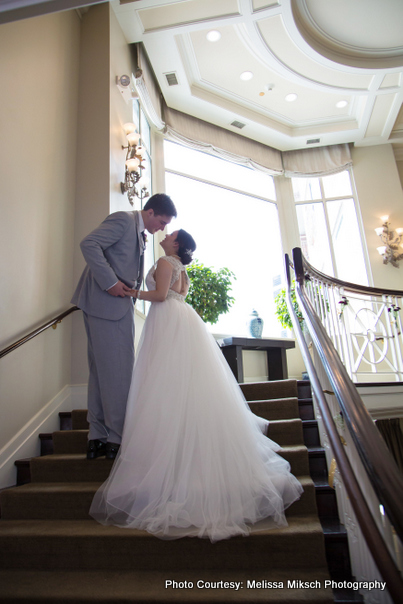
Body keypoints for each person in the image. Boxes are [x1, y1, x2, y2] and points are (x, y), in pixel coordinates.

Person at [90, 229, 303, 542]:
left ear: (176, 244)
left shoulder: (166, 263)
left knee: (164, 384)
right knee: (180, 384)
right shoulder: (181, 268)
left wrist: (130, 292)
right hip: (181, 320)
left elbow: (160, 297)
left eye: (171, 233)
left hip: (166, 320)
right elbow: (173, 295)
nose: (166, 233)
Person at [71, 194, 177, 461]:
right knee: (119, 374)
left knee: (99, 374)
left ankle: (97, 438)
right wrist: (110, 283)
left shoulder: (137, 230)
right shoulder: (123, 220)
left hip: (103, 305)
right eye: (161, 222)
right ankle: (117, 440)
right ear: (150, 212)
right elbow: (89, 243)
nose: (161, 229)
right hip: (108, 304)